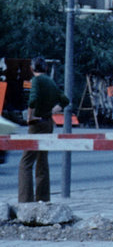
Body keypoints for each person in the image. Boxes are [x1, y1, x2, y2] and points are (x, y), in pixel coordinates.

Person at [19, 56, 68, 203]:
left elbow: (33, 100)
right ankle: (43, 197)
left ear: (32, 68)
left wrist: (29, 116)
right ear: (45, 68)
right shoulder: (51, 81)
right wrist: (54, 110)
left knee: (26, 162)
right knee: (42, 160)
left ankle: (25, 200)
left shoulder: (36, 81)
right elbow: (65, 101)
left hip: (37, 123)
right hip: (48, 123)